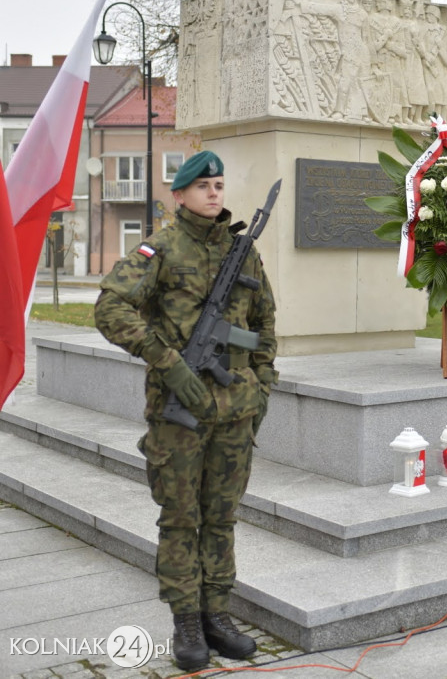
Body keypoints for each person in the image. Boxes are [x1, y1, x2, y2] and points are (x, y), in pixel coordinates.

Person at [94, 151, 278, 671]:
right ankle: (187, 622)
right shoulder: (161, 248)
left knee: (221, 518)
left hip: (236, 411)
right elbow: (109, 308)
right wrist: (168, 364)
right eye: (203, 186)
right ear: (180, 195)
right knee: (180, 520)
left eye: (219, 185)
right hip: (180, 413)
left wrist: (262, 385)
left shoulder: (243, 253)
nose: (214, 194)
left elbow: (265, 325)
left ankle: (218, 613)